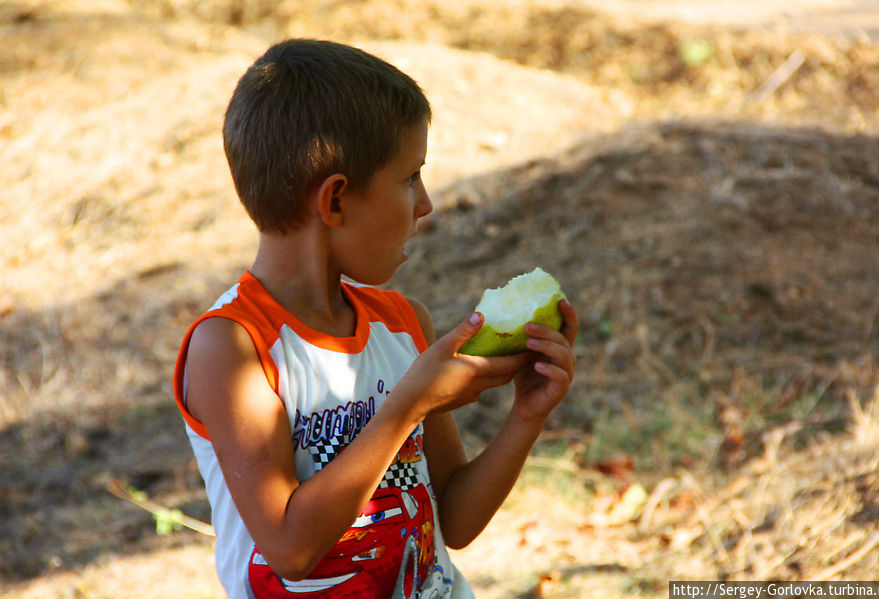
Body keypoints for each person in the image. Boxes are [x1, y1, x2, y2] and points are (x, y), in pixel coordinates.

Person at [172, 38, 578, 599]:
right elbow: (289, 548)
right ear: (335, 201)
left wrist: (525, 418)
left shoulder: (404, 323)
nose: (426, 203)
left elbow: (454, 522)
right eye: (410, 176)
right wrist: (408, 403)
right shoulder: (234, 348)